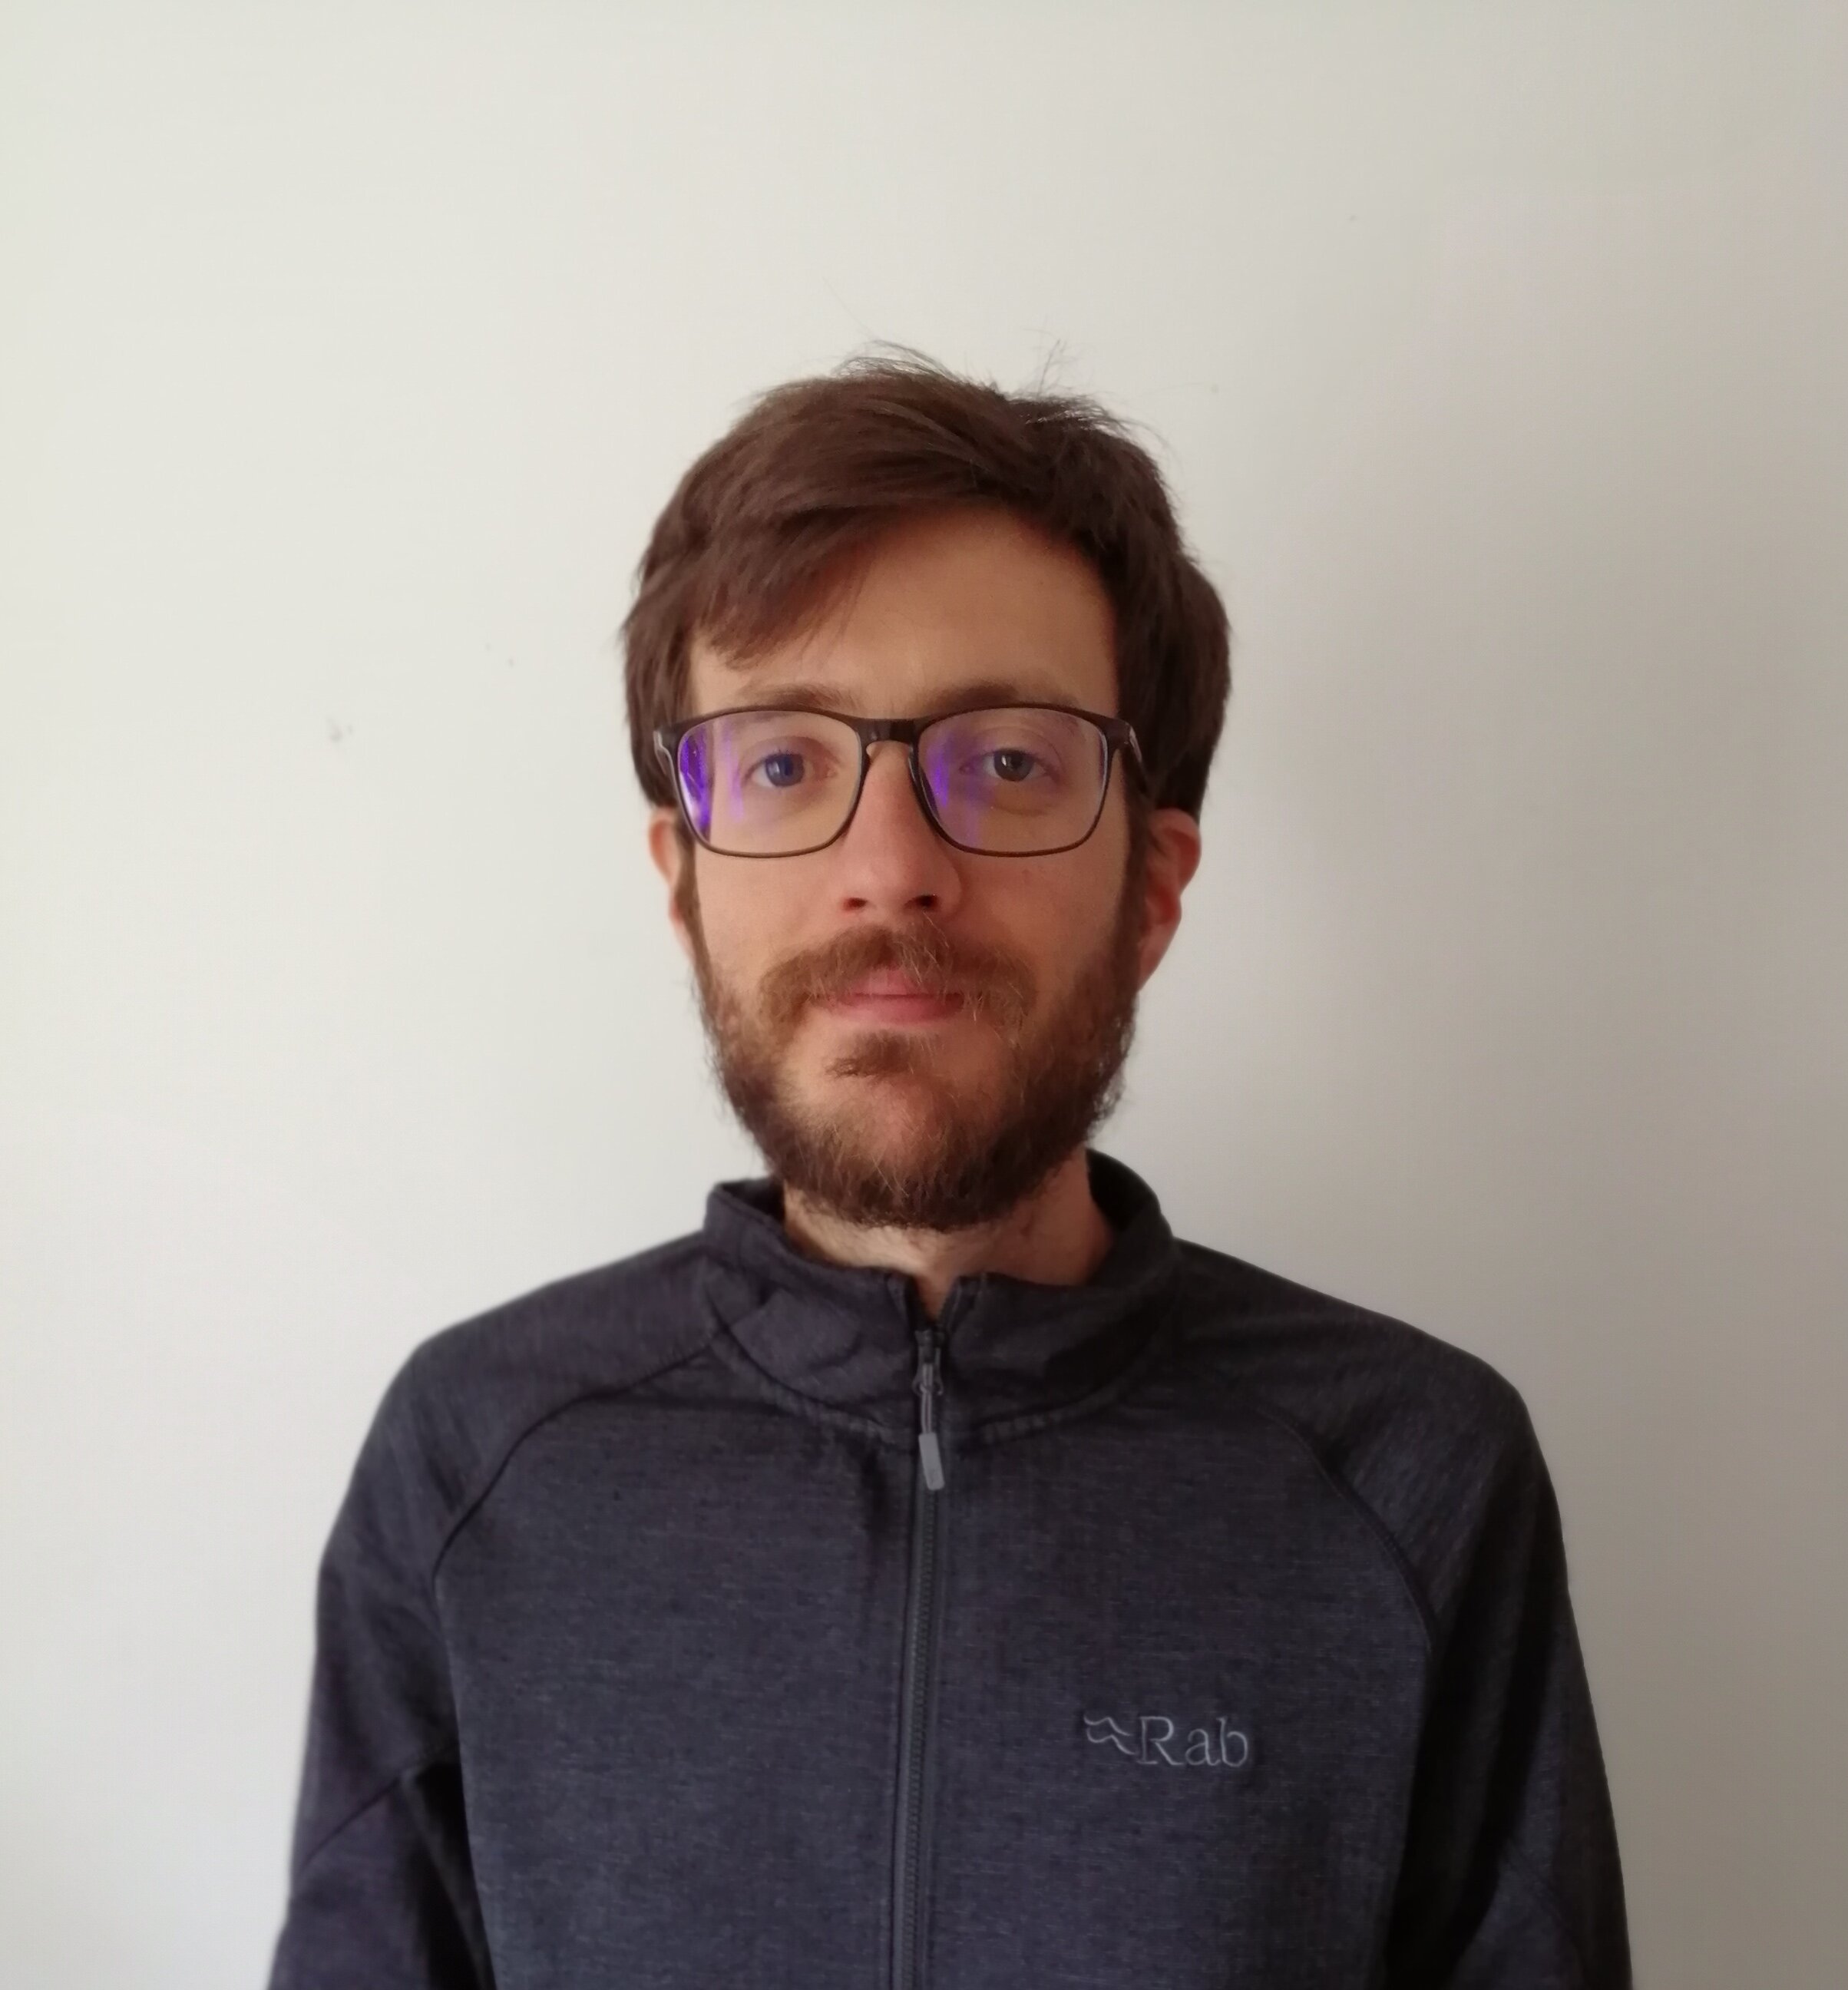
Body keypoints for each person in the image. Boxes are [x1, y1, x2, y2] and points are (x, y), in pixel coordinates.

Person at [268, 353, 1630, 1988]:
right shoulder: (475, 1466)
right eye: (785, 763)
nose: (890, 870)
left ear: (1152, 887)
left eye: (1007, 763)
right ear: (685, 884)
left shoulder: (1413, 1481)